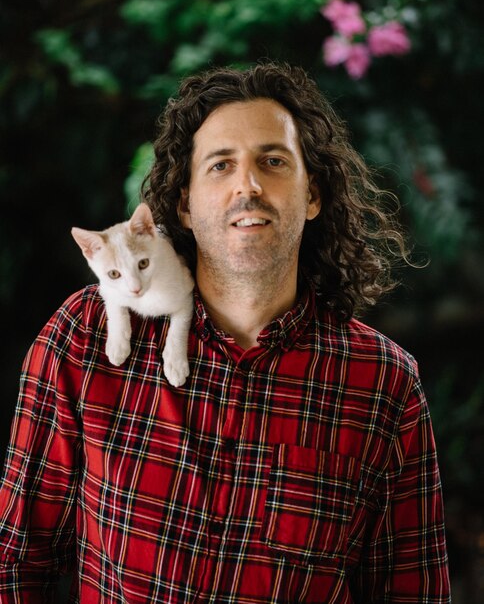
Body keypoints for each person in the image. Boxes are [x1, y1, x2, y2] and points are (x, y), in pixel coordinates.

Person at [0, 61, 450, 602]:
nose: (249, 185)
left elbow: (413, 591)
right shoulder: (82, 337)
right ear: (184, 206)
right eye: (220, 165)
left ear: (313, 196)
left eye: (274, 160)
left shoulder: (384, 384)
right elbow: (15, 562)